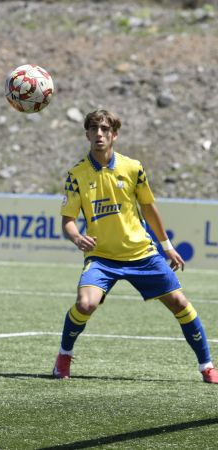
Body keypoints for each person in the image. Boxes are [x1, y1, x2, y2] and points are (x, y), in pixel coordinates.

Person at [52, 109, 217, 383]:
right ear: (87, 134)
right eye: (94, 129)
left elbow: (149, 208)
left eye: (105, 129)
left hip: (141, 254)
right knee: (85, 303)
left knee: (180, 303)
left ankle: (207, 366)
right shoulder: (76, 174)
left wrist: (167, 246)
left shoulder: (132, 168)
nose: (99, 134)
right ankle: (63, 356)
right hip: (102, 257)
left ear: (115, 135)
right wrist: (76, 237)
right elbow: (68, 221)